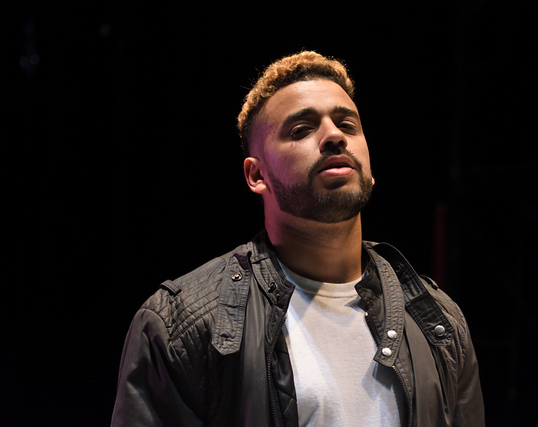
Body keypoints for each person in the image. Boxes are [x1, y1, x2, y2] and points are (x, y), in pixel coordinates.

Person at [112, 51, 484, 426]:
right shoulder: (180, 327)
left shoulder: (439, 322)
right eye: (301, 130)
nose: (334, 136)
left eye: (348, 125)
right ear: (257, 175)